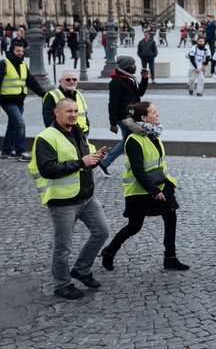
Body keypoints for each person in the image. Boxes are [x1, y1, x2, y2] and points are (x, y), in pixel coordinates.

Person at [28, 98, 110, 299]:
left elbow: (85, 157)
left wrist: (95, 157)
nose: (73, 114)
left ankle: (81, 270)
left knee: (101, 232)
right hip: (63, 201)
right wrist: (81, 162)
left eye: (76, 111)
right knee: (63, 246)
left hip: (87, 197)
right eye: (69, 111)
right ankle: (62, 284)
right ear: (57, 113)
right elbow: (48, 169)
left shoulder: (78, 131)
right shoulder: (46, 138)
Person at [101, 102, 189, 271]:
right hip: (140, 191)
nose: (158, 115)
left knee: (171, 217)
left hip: (161, 184)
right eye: (154, 113)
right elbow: (138, 170)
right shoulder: (134, 140)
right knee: (134, 226)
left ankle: (170, 257)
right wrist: (154, 191)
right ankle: (109, 252)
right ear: (143, 118)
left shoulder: (152, 134)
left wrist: (163, 186)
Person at [101, 55, 149, 172]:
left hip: (132, 116)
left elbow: (140, 93)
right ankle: (106, 163)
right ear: (126, 66)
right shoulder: (116, 82)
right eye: (133, 65)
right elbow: (112, 103)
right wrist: (113, 123)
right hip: (124, 118)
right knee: (128, 141)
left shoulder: (130, 78)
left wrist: (144, 79)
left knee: (128, 140)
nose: (135, 66)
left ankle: (105, 163)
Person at [1, 40, 47, 161]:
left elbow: (31, 82)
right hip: (7, 101)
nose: (21, 53)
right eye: (18, 51)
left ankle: (6, 151)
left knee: (12, 125)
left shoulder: (22, 65)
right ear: (12, 51)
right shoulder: (4, 63)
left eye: (22, 51)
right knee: (19, 124)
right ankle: (20, 151)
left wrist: (44, 94)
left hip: (19, 101)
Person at [43, 70, 90, 137]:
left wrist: (87, 129)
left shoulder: (79, 94)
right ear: (60, 82)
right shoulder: (51, 96)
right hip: (63, 135)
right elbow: (49, 120)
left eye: (74, 79)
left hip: (82, 134)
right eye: (68, 80)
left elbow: (84, 115)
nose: (72, 82)